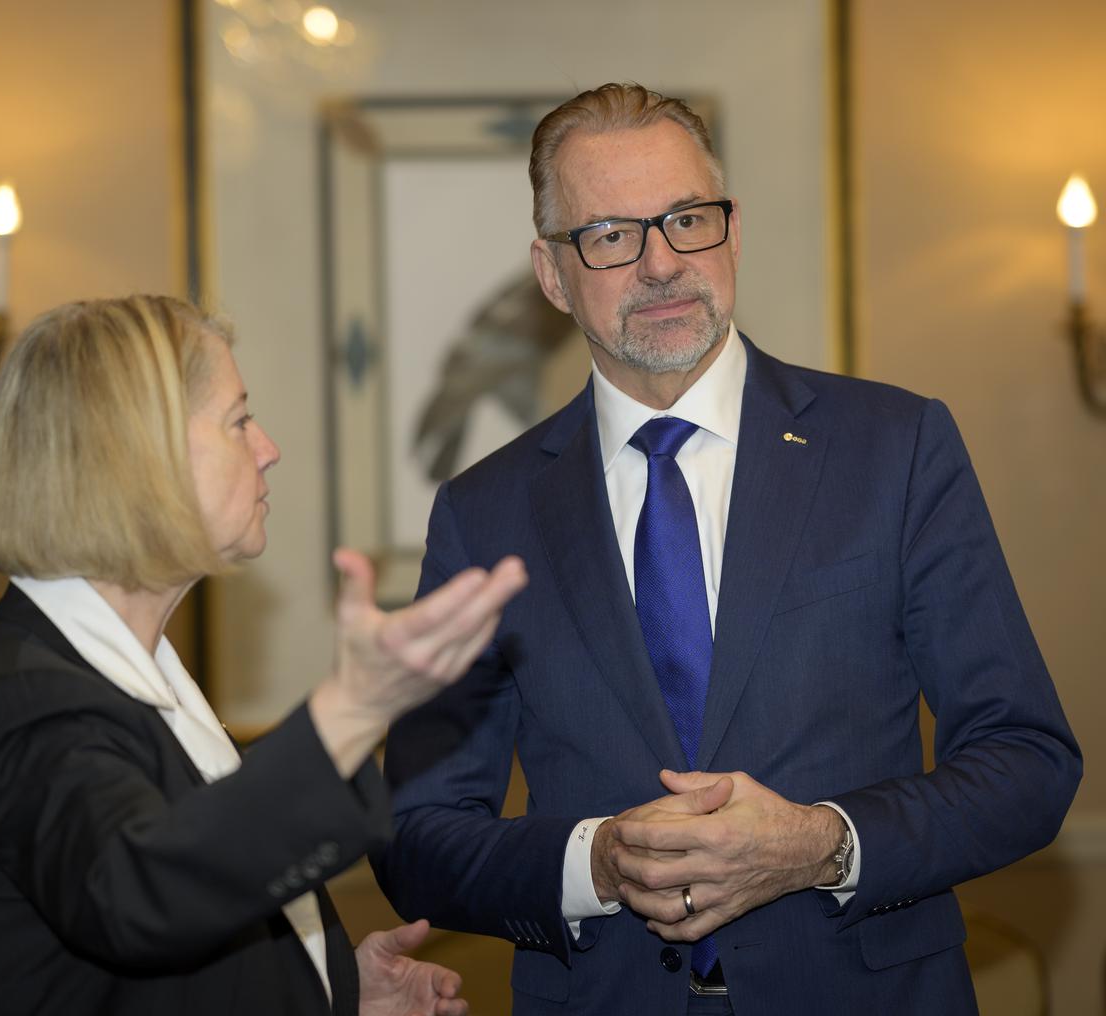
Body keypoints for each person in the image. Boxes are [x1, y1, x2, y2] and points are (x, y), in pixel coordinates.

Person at [373, 84, 1081, 1015]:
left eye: (687, 220)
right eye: (612, 236)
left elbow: (1027, 760)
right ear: (552, 274)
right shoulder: (484, 512)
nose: (662, 263)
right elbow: (417, 836)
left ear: (732, 232)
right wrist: (598, 864)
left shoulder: (894, 447)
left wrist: (822, 844)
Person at [0, 295, 528, 1015]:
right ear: (140, 457)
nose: (267, 447)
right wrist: (352, 708)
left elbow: (184, 930)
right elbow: (141, 895)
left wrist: (331, 989)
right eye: (238, 420)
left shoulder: (130, 674)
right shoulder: (28, 699)